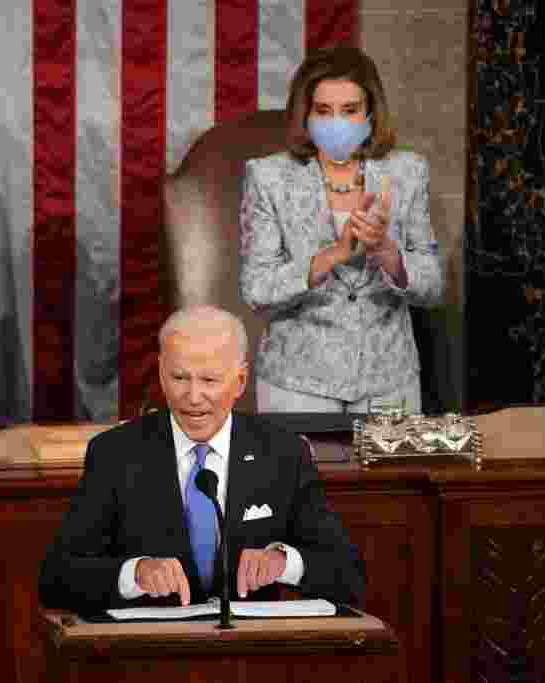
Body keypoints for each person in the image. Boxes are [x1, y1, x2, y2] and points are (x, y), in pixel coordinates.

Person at [38, 305, 365, 615]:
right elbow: (57, 580)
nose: (193, 398)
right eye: (180, 378)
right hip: (149, 655)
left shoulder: (283, 453)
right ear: (161, 374)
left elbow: (348, 575)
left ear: (240, 381)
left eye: (209, 380)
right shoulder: (116, 453)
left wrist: (285, 563)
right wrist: (134, 573)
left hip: (251, 656)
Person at [239, 45, 444, 415]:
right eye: (323, 111)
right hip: (297, 381)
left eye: (350, 111)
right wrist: (332, 255)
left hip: (389, 381)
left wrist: (389, 255)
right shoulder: (268, 177)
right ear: (306, 115)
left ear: (370, 113)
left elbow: (432, 286)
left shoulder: (407, 172)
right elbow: (257, 291)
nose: (337, 122)